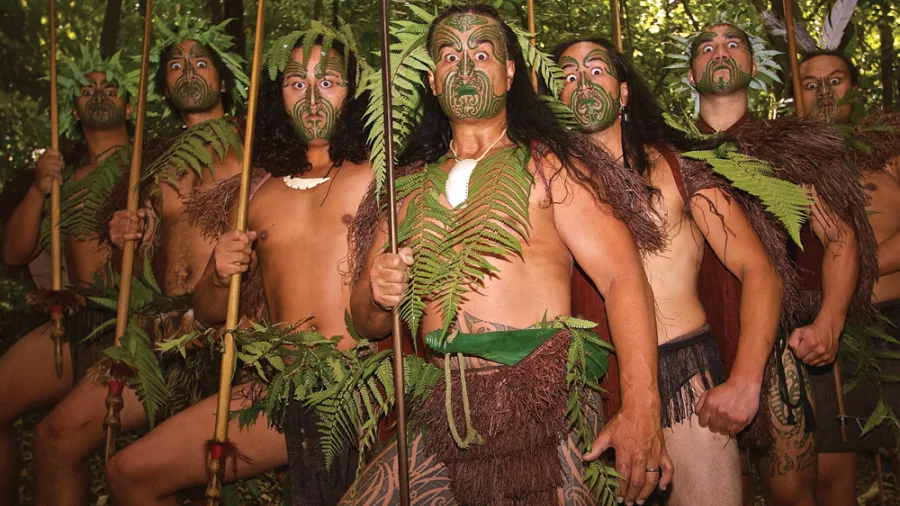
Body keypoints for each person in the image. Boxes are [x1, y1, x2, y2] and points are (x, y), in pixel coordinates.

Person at [345, 5, 671, 505]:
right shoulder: (406, 187)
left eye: (482, 53)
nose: (467, 68)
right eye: (451, 56)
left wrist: (642, 404)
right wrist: (376, 290)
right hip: (444, 411)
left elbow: (623, 277)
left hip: (546, 410)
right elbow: (365, 321)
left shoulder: (552, 166)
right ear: (432, 80)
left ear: (509, 73)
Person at [112, 34, 373, 505]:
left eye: (328, 81)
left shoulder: (383, 176)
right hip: (278, 388)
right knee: (130, 473)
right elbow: (212, 313)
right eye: (296, 83)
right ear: (279, 97)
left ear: (353, 92)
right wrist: (217, 274)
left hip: (365, 388)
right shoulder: (258, 193)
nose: (311, 97)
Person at [555, 37, 784, 506]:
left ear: (622, 93)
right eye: (567, 75)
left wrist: (745, 380)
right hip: (589, 383)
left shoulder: (679, 169)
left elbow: (759, 271)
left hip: (684, 377)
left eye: (596, 69)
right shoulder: (547, 183)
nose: (581, 81)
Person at [685, 24, 877, 506]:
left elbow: (840, 236)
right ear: (691, 73)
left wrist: (830, 319)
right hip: (692, 352)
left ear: (753, 66)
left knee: (793, 496)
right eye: (707, 47)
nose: (721, 51)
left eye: (734, 44)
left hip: (776, 350)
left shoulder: (792, 146)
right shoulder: (667, 151)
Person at [0, 49, 133, 504]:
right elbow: (15, 253)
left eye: (109, 88)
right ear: (74, 110)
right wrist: (40, 188)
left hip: (132, 324)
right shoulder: (64, 179)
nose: (97, 95)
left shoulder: (149, 163)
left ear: (130, 106)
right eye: (86, 90)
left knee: (53, 440)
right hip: (74, 317)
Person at [797, 49, 900, 506]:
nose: (823, 92)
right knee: (830, 473)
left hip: (892, 319)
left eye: (834, 80)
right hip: (828, 329)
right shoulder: (788, 158)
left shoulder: (888, 148)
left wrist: (860, 269)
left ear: (853, 91)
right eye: (810, 83)